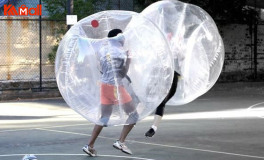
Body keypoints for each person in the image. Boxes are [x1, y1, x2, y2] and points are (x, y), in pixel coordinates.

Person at [82, 29, 138, 156]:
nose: (124, 40)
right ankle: (121, 141)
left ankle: (89, 145)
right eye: (122, 37)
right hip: (115, 87)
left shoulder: (103, 51)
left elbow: (102, 69)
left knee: (104, 117)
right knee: (134, 115)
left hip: (104, 86)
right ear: (119, 38)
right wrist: (129, 60)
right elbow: (122, 73)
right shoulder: (121, 53)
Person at [145, 71, 179, 137]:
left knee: (161, 103)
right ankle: (153, 128)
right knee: (161, 103)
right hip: (165, 76)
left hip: (169, 76)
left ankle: (153, 128)